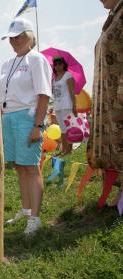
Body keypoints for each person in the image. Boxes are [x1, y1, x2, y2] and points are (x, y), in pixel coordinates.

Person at [0, 18, 52, 235]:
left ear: (31, 35)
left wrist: (38, 125)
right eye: (12, 37)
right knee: (20, 166)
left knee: (31, 167)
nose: (15, 41)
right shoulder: (6, 64)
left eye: (20, 36)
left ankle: (35, 218)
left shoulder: (37, 59)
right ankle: (26, 208)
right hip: (8, 117)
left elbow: (43, 94)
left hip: (27, 116)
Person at [88, 0, 123, 208]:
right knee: (114, 143)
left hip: (118, 94)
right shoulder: (114, 15)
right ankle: (119, 189)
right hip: (108, 99)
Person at [52, 56, 77, 156]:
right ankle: (63, 150)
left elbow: (72, 91)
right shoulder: (54, 78)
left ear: (64, 65)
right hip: (57, 106)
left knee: (69, 128)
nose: (58, 66)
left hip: (67, 105)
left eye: (60, 64)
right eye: (56, 64)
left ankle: (69, 150)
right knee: (62, 128)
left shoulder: (68, 75)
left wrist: (74, 106)